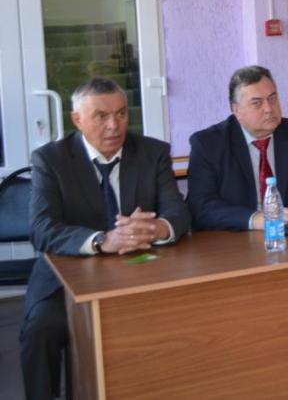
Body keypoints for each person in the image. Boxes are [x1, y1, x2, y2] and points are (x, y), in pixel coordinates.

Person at [20, 77, 190, 400]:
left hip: (141, 272)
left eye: (122, 114)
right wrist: (102, 240)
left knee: (182, 319)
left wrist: (157, 228)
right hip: (66, 278)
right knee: (40, 330)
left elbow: (178, 213)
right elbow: (42, 229)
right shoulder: (51, 160)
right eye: (101, 116)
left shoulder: (152, 152)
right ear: (77, 120)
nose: (114, 125)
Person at [187, 65, 288, 231]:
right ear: (236, 110)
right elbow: (200, 207)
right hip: (236, 238)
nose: (269, 109)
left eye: (272, 98)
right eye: (257, 103)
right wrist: (255, 219)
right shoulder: (208, 144)